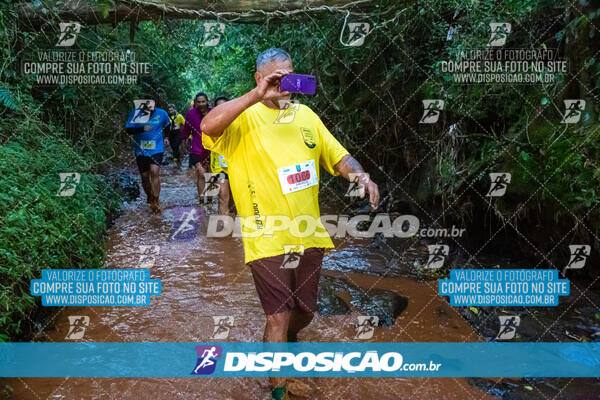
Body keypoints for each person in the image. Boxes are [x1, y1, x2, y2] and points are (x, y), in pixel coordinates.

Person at [201, 48, 379, 400]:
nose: (284, 85)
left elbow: (337, 155)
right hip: (265, 237)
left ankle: (277, 345)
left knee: (304, 313)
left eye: (289, 76)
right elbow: (208, 125)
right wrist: (257, 96)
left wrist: (360, 177)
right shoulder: (242, 120)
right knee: (279, 316)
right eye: (275, 78)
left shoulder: (307, 116)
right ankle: (278, 391)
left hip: (308, 234)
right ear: (259, 78)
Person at [125, 101, 170, 213]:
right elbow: (128, 130)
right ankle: (149, 196)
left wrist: (166, 137)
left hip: (157, 149)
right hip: (140, 150)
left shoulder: (162, 114)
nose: (150, 109)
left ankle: (156, 200)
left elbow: (168, 125)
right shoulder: (136, 113)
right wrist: (141, 129)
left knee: (154, 172)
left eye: (152, 107)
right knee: (145, 177)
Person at [182, 92, 212, 203]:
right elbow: (186, 130)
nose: (201, 104)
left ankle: (209, 201)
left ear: (207, 102)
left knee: (210, 175)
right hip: (196, 149)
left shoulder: (213, 112)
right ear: (195, 103)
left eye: (203, 101)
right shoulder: (191, 114)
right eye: (198, 102)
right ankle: (201, 201)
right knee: (201, 174)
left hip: (212, 149)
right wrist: (184, 142)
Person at [209, 96, 232, 215]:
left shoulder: (238, 120)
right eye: (219, 107)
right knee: (223, 198)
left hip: (236, 166)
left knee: (235, 202)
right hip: (219, 167)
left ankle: (231, 228)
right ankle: (224, 230)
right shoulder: (211, 123)